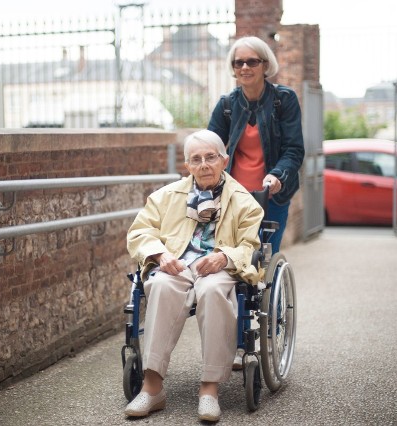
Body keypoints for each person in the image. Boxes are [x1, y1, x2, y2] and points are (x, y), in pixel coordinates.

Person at [124, 129, 264, 422]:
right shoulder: (166, 196)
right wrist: (160, 255)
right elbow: (140, 232)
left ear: (224, 160)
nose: (204, 165)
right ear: (186, 165)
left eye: (210, 157)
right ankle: (152, 388)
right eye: (196, 159)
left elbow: (251, 246)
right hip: (178, 264)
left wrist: (225, 256)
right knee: (160, 284)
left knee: (213, 292)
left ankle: (209, 390)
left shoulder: (244, 201)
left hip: (219, 268)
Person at [208, 35, 305, 254]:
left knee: (263, 259)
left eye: (252, 61)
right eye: (238, 62)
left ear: (265, 65)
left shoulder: (284, 100)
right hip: (234, 197)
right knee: (232, 259)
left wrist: (277, 175)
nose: (244, 67)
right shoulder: (226, 105)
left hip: (271, 197)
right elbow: (209, 147)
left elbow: (294, 149)